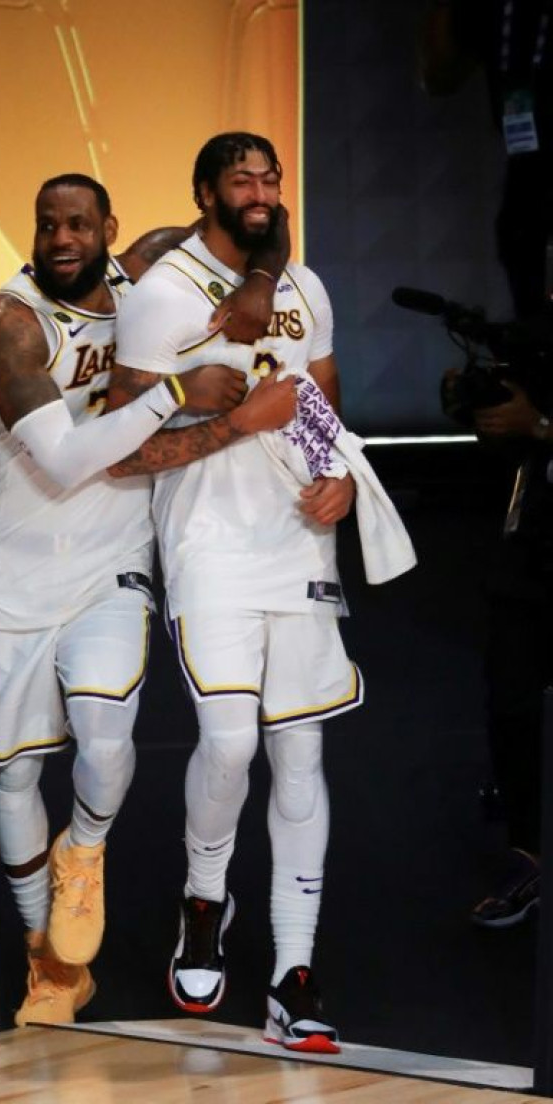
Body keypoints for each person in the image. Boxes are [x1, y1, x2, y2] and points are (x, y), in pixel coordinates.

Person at [0, 171, 298, 1027]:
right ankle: (50, 963)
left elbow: (264, 220)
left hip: (114, 558)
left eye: (78, 223)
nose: (62, 238)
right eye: (47, 225)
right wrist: (178, 397)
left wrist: (260, 284)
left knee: (105, 731)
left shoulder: (147, 271)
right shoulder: (5, 325)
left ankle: (84, 850)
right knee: (10, 773)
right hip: (11, 574)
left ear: (110, 228)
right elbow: (71, 461)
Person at [108, 132, 362, 1054]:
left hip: (298, 537)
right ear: (204, 192)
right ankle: (204, 900)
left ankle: (295, 975)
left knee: (300, 756)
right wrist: (231, 423)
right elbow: (122, 451)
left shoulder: (305, 287)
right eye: (240, 179)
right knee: (228, 741)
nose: (258, 191)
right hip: (208, 543)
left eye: (270, 177)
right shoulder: (162, 295)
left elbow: (323, 400)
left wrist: (337, 476)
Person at [421, 0, 553, 927]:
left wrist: (541, 424)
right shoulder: (530, 232)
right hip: (538, 502)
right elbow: (439, 68)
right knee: (511, 672)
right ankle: (531, 857)